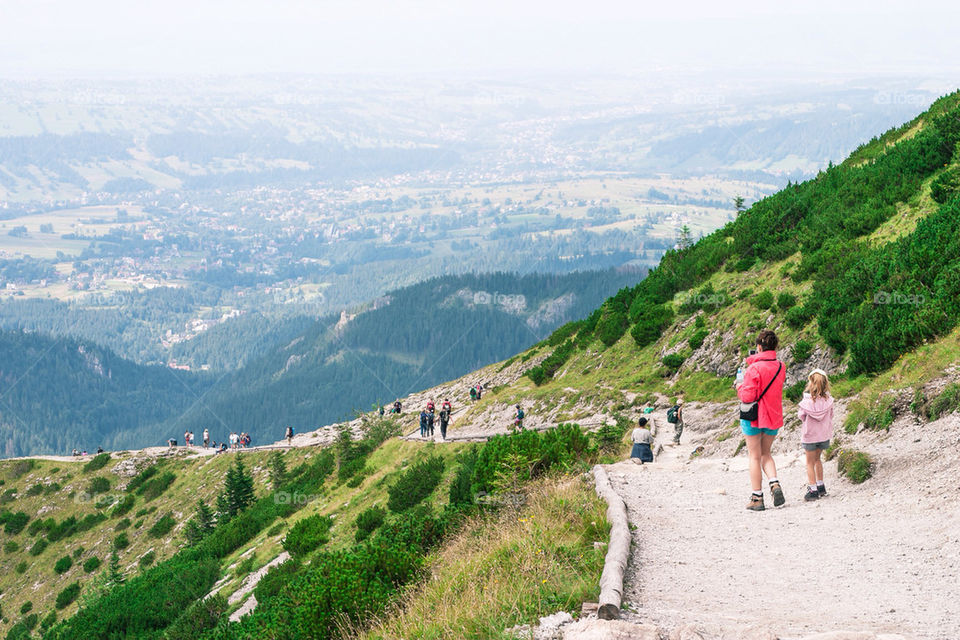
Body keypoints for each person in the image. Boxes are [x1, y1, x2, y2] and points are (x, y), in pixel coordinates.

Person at [736, 330, 786, 511]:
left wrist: (739, 386)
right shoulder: (781, 366)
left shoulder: (753, 369)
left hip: (754, 417)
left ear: (759, 347)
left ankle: (757, 498)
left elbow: (748, 396)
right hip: (773, 416)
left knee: (754, 456)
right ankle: (774, 483)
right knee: (767, 454)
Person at [798, 369, 834, 501]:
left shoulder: (806, 402)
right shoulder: (829, 401)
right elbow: (831, 415)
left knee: (809, 462)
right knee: (818, 459)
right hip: (823, 435)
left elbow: (801, 416)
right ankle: (821, 486)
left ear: (811, 384)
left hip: (810, 436)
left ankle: (812, 490)